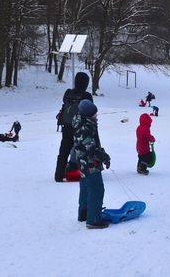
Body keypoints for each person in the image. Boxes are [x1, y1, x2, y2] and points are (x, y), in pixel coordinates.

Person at [72, 100, 111, 229]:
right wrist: (104, 157)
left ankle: (84, 214)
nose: (97, 116)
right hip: (90, 163)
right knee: (96, 188)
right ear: (88, 115)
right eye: (95, 114)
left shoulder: (81, 122)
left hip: (82, 163)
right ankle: (93, 219)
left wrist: (102, 153)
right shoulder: (86, 127)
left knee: (85, 187)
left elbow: (92, 145)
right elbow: (91, 149)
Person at [55, 72, 94, 182]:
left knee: (63, 151)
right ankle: (82, 171)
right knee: (81, 150)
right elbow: (90, 110)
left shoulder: (68, 93)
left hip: (66, 126)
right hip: (79, 128)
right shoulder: (86, 96)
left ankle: (59, 174)